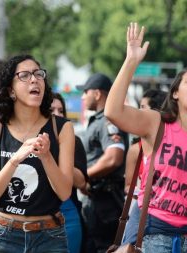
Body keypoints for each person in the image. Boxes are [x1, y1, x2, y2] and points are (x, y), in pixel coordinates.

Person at [104, 22, 187, 252]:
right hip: (158, 238)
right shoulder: (156, 123)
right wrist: (131, 61)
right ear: (175, 92)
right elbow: (113, 112)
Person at [0, 54, 74, 252]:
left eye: (38, 74)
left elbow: (65, 192)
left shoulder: (61, 129)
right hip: (4, 236)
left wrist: (47, 156)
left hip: (49, 236)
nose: (34, 79)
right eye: (24, 75)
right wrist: (15, 159)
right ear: (10, 90)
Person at [76, 72, 128, 253]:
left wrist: (83, 176)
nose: (83, 97)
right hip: (98, 199)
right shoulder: (99, 119)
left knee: (102, 248)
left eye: (85, 92)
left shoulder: (107, 120)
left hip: (106, 202)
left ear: (97, 94)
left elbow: (114, 157)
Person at [121, 88, 167, 245]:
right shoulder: (136, 150)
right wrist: (139, 191)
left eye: (142, 107)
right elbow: (128, 185)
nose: (138, 112)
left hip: (166, 218)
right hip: (141, 213)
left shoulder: (174, 146)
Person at [51, 92, 89, 253]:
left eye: (61, 111)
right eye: (52, 110)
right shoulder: (29, 140)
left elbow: (81, 182)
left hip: (67, 216)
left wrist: (57, 152)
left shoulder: (74, 141)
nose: (57, 114)